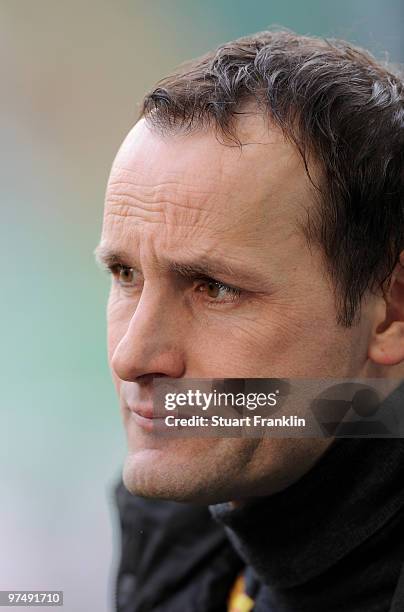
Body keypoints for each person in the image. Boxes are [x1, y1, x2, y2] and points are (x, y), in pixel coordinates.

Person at [95, 30, 404, 611]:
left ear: (389, 312)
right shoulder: (180, 518)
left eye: (214, 289)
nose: (131, 357)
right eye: (125, 275)